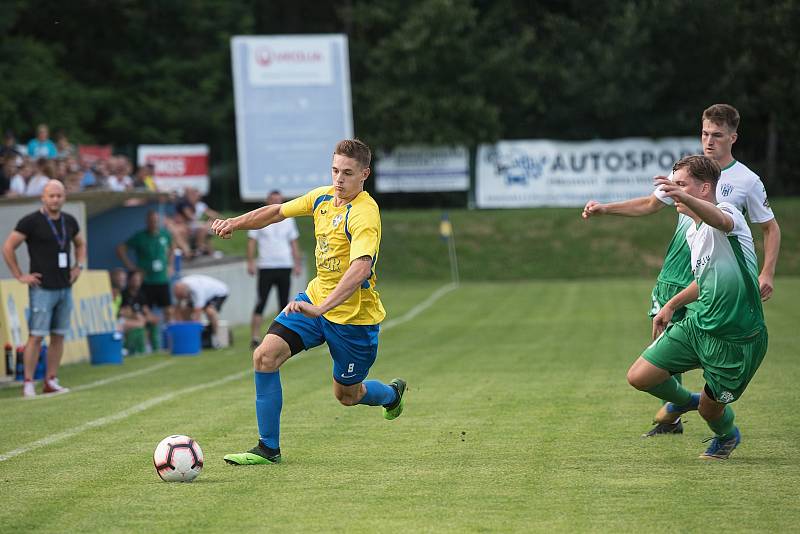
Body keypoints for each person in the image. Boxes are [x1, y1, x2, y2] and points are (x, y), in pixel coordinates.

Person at [582, 104, 780, 436]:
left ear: (733, 137)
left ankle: (709, 411)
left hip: (720, 291)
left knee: (709, 364)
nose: (709, 141)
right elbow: (649, 204)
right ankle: (679, 413)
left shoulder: (740, 184)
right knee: (656, 363)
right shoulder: (687, 175)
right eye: (705, 133)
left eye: (717, 135)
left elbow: (755, 225)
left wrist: (767, 272)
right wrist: (606, 208)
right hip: (683, 279)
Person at [211, 139, 406, 466]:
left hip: (353, 320)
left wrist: (322, 307)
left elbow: (360, 268)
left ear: (364, 175)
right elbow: (276, 212)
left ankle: (391, 394)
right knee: (264, 356)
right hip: (313, 303)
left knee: (347, 395)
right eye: (335, 170)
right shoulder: (323, 198)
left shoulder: (365, 214)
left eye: (347, 173)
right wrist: (235, 223)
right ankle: (268, 448)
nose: (339, 179)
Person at [626, 155, 767, 460]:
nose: (671, 192)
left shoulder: (728, 214)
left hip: (736, 338)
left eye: (680, 185)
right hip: (697, 326)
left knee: (710, 409)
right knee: (639, 376)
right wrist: (670, 306)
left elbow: (720, 220)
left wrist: (680, 195)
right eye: (672, 185)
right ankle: (688, 401)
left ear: (704, 189)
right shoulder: (693, 232)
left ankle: (727, 436)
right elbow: (703, 281)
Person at [2, 180, 86, 397]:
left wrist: (79, 266)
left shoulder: (69, 221)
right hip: (42, 287)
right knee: (37, 336)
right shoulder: (31, 221)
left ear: (64, 197)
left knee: (58, 335)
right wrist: (20, 275)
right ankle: (28, 382)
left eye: (59, 195)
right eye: (51, 196)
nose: (55, 199)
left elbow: (80, 243)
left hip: (65, 286)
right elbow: (9, 246)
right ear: (43, 197)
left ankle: (51, 379)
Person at [247, 190, 303, 349]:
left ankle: (281, 337)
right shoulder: (260, 217)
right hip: (266, 265)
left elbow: (293, 243)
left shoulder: (288, 220)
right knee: (261, 301)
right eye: (273, 200)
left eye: (278, 200)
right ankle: (255, 336)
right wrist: (250, 261)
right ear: (267, 201)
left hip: (284, 264)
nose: (276, 202)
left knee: (284, 302)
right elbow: (252, 241)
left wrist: (296, 262)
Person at [116, 210, 174, 321]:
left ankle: (168, 333)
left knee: (169, 310)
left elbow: (172, 247)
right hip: (146, 280)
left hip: (162, 278)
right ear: (147, 222)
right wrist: (131, 267)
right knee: (146, 310)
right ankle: (149, 335)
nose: (154, 224)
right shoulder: (140, 237)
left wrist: (170, 265)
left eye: (156, 221)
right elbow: (120, 249)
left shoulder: (165, 234)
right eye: (151, 221)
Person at [172, 274, 229, 349]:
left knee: (210, 311)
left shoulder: (197, 290)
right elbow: (177, 308)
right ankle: (188, 337)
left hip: (218, 293)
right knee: (185, 311)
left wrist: (195, 332)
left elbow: (197, 314)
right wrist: (180, 325)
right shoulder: (180, 287)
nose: (183, 298)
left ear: (185, 292)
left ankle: (215, 338)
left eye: (183, 296)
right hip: (204, 294)